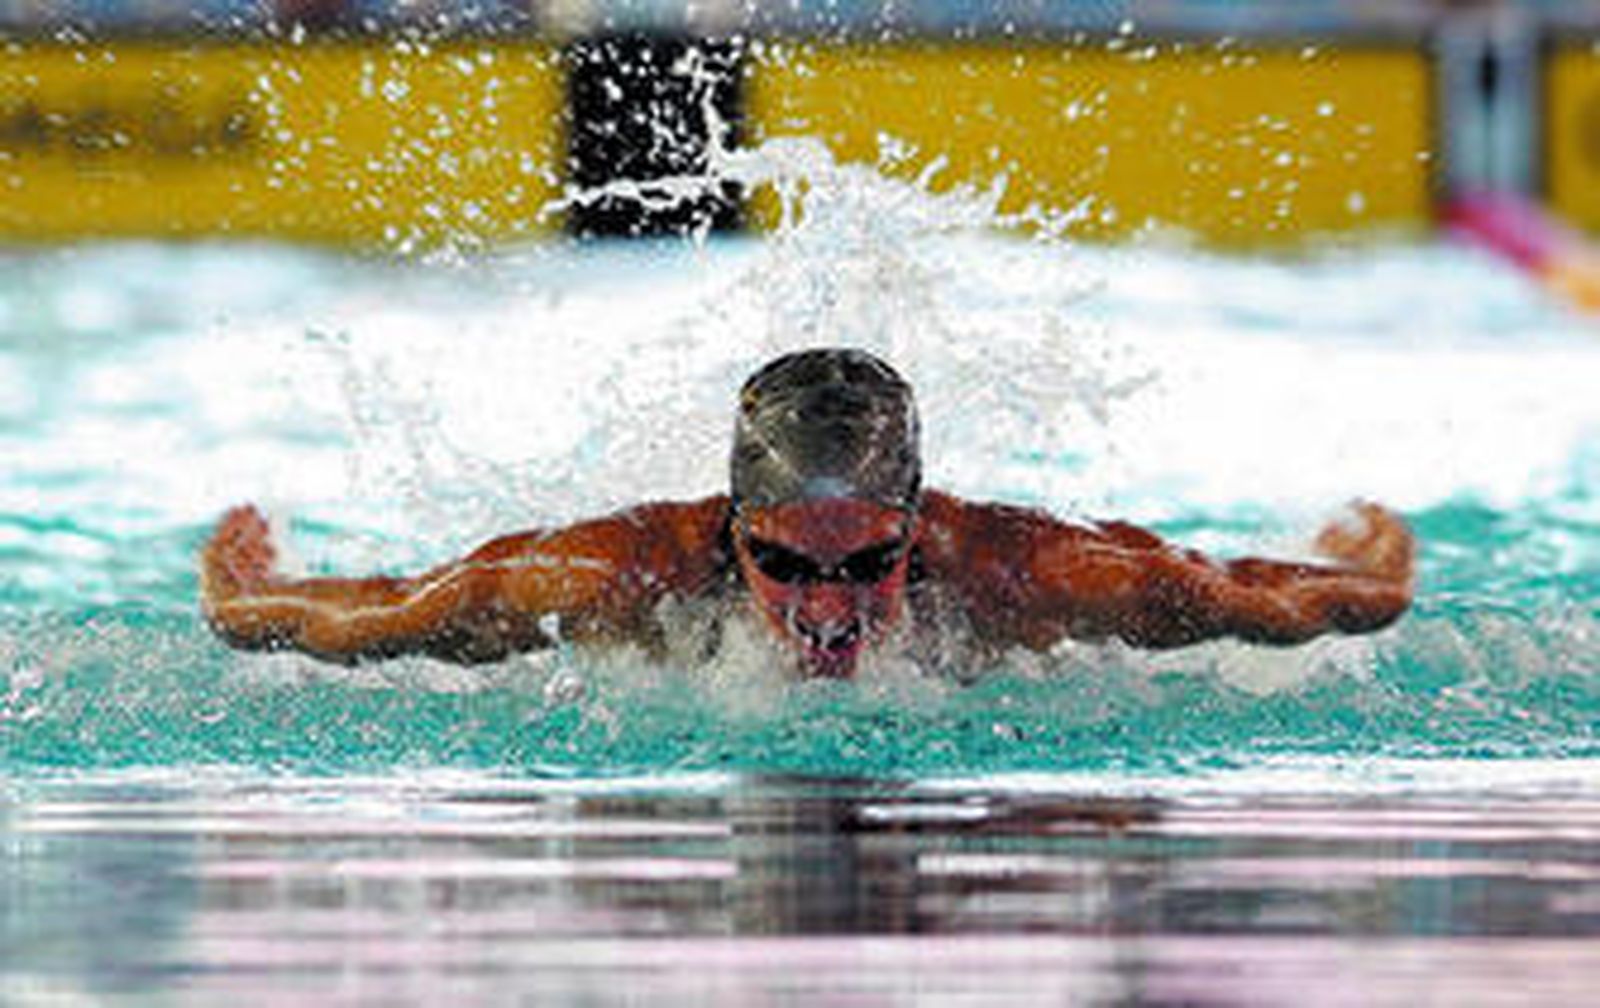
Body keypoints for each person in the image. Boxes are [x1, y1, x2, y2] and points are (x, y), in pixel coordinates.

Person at [200, 348, 1414, 678]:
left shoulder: (1033, 570)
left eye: (870, 562)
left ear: (916, 521)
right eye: (784, 564)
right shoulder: (613, 570)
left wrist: (1368, 569)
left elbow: (1273, 603)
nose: (828, 612)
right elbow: (381, 614)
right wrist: (246, 596)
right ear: (730, 527)